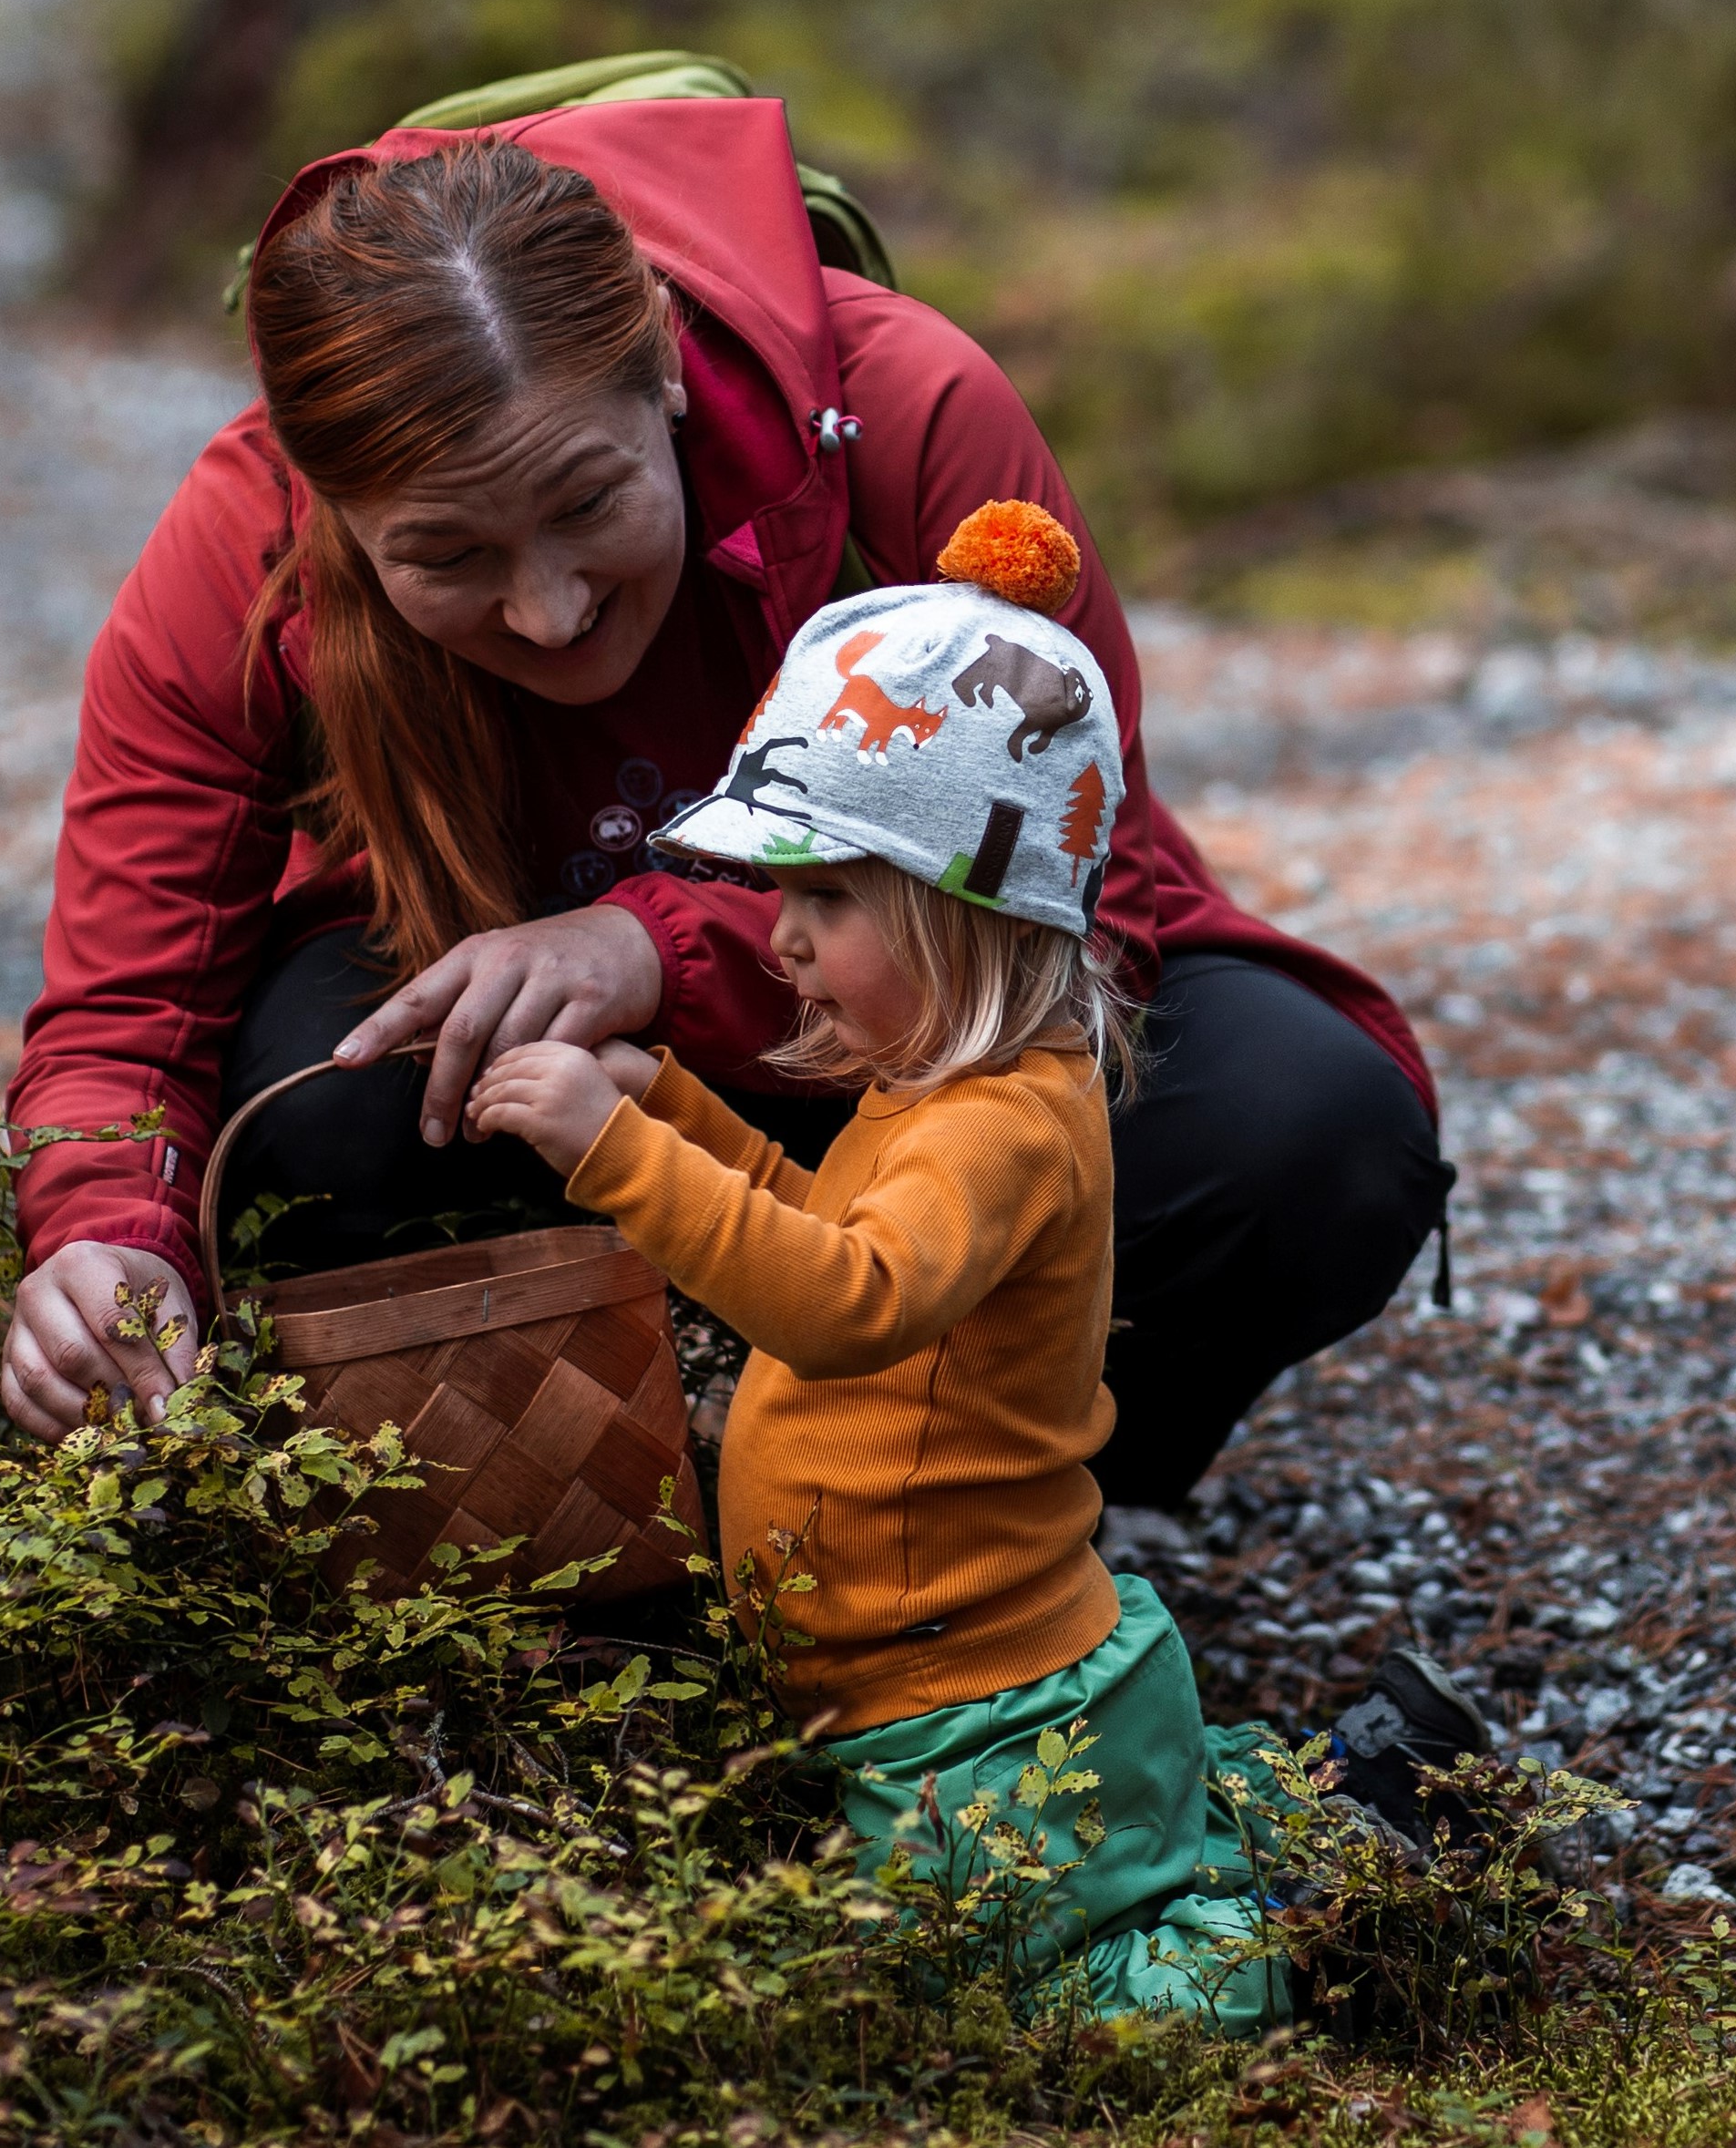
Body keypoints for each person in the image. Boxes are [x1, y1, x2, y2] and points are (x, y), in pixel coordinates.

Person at [0, 99, 1454, 1499]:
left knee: (1304, 1139)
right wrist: (109, 1237)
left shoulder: (906, 410)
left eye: (584, 504)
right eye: (445, 560)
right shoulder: (241, 549)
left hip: (935, 1051)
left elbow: (1088, 894)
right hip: (561, 1098)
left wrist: (654, 953)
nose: (550, 614)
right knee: (318, 1105)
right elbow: (129, 1005)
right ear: (326, 508)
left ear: (669, 375)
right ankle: (595, 1513)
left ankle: (999, 1496)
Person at [457, 504, 1491, 2023]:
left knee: (1039, 1987)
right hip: (914, 1683)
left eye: (822, 898)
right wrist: (664, 1101)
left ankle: (1322, 1911)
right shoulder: (939, 1083)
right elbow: (812, 1220)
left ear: (965, 911)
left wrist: (614, 1157)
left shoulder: (997, 1127)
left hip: (974, 1707)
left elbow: (842, 1305)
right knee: (1030, 1905)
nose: (780, 941)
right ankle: (1313, 1804)